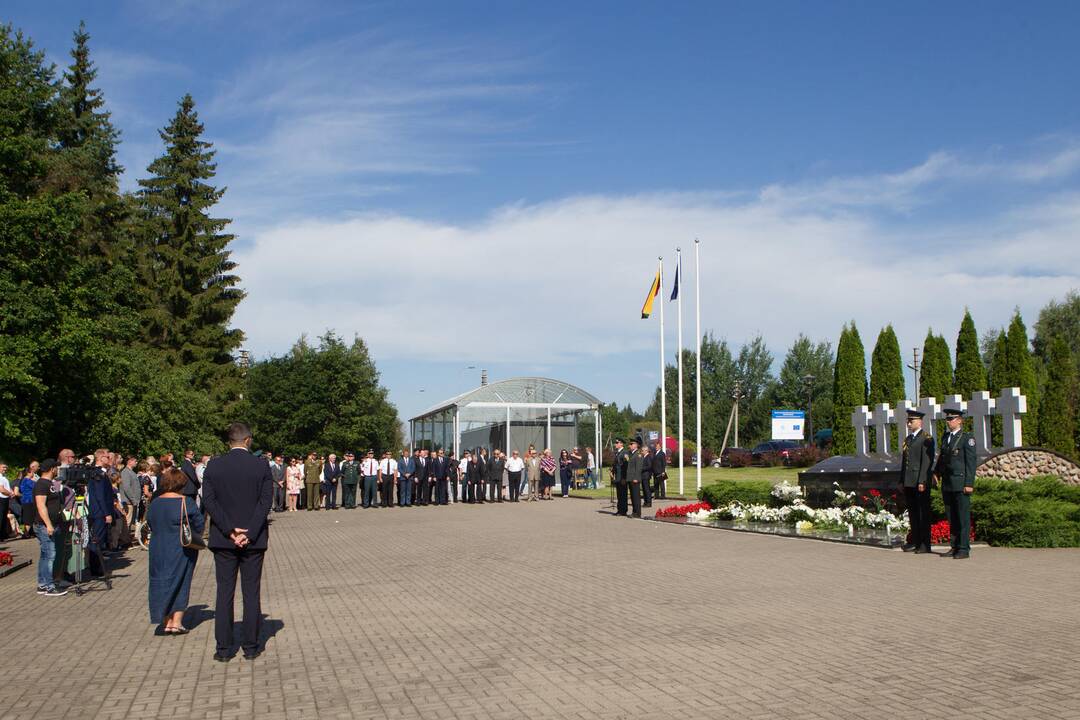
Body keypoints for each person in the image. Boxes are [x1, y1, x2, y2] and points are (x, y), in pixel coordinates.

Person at [202, 422, 274, 662]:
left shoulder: (214, 466)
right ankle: (251, 646)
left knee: (224, 593)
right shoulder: (261, 465)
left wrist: (229, 529)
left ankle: (223, 649)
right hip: (253, 541)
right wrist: (249, 532)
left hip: (223, 539)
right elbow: (265, 503)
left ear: (228, 442)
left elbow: (209, 502)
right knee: (251, 593)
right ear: (248, 440)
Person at [147, 467, 204, 635]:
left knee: (159, 581)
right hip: (181, 547)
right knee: (181, 580)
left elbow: (150, 522)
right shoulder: (186, 502)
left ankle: (165, 620)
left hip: (158, 546)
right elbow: (199, 525)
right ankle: (176, 622)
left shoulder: (155, 502)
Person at [934, 408, 976, 559]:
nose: (948, 421)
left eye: (951, 419)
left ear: (959, 420)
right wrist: (936, 472)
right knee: (951, 516)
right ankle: (954, 545)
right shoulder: (946, 437)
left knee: (962, 517)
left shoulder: (966, 438)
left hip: (960, 482)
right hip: (948, 482)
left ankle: (964, 548)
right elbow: (943, 458)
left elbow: (971, 462)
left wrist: (969, 483)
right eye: (947, 419)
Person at [899, 409, 935, 554]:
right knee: (913, 513)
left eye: (911, 421)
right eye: (908, 420)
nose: (908, 423)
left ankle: (925, 544)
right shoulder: (909, 439)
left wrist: (922, 481)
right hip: (909, 481)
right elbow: (904, 462)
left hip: (920, 481)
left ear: (919, 422)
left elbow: (926, 462)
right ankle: (915, 541)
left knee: (922, 514)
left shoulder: (926, 438)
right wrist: (901, 480)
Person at [32, 459, 68, 596]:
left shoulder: (52, 483)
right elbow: (41, 506)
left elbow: (59, 499)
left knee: (45, 555)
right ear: (52, 469)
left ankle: (42, 584)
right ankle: (49, 586)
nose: (58, 470)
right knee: (50, 555)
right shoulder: (41, 484)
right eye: (56, 468)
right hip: (44, 525)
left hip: (54, 523)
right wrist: (48, 524)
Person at [611, 438, 629, 516]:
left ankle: (623, 511)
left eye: (617, 443)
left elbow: (626, 466)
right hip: (618, 477)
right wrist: (612, 472)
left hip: (622, 477)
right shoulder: (617, 453)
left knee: (623, 494)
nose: (616, 444)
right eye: (616, 442)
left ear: (621, 444)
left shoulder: (624, 453)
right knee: (619, 494)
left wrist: (624, 478)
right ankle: (619, 510)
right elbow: (616, 465)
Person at [626, 438, 644, 518]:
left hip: (635, 478)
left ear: (636, 445)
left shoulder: (638, 454)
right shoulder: (631, 454)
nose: (630, 445)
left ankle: (637, 513)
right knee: (633, 496)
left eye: (631, 444)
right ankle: (634, 511)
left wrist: (636, 477)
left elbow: (638, 468)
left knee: (636, 496)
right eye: (630, 444)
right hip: (630, 478)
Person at [639, 443, 653, 508]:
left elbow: (649, 466)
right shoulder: (643, 457)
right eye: (641, 450)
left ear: (646, 451)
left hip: (646, 475)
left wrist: (641, 468)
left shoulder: (648, 457)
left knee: (647, 489)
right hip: (643, 475)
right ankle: (645, 502)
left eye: (642, 450)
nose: (641, 452)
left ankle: (649, 503)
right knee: (644, 489)